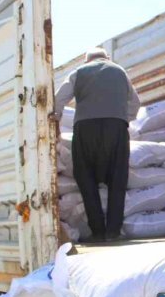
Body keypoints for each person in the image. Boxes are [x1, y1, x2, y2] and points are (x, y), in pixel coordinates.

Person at [52, 47, 140, 242]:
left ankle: (98, 231)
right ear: (107, 58)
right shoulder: (120, 72)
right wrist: (121, 118)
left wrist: (55, 122)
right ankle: (113, 231)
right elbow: (135, 103)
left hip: (86, 129)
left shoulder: (78, 72)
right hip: (116, 128)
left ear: (86, 61)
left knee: (86, 178)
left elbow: (59, 99)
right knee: (118, 180)